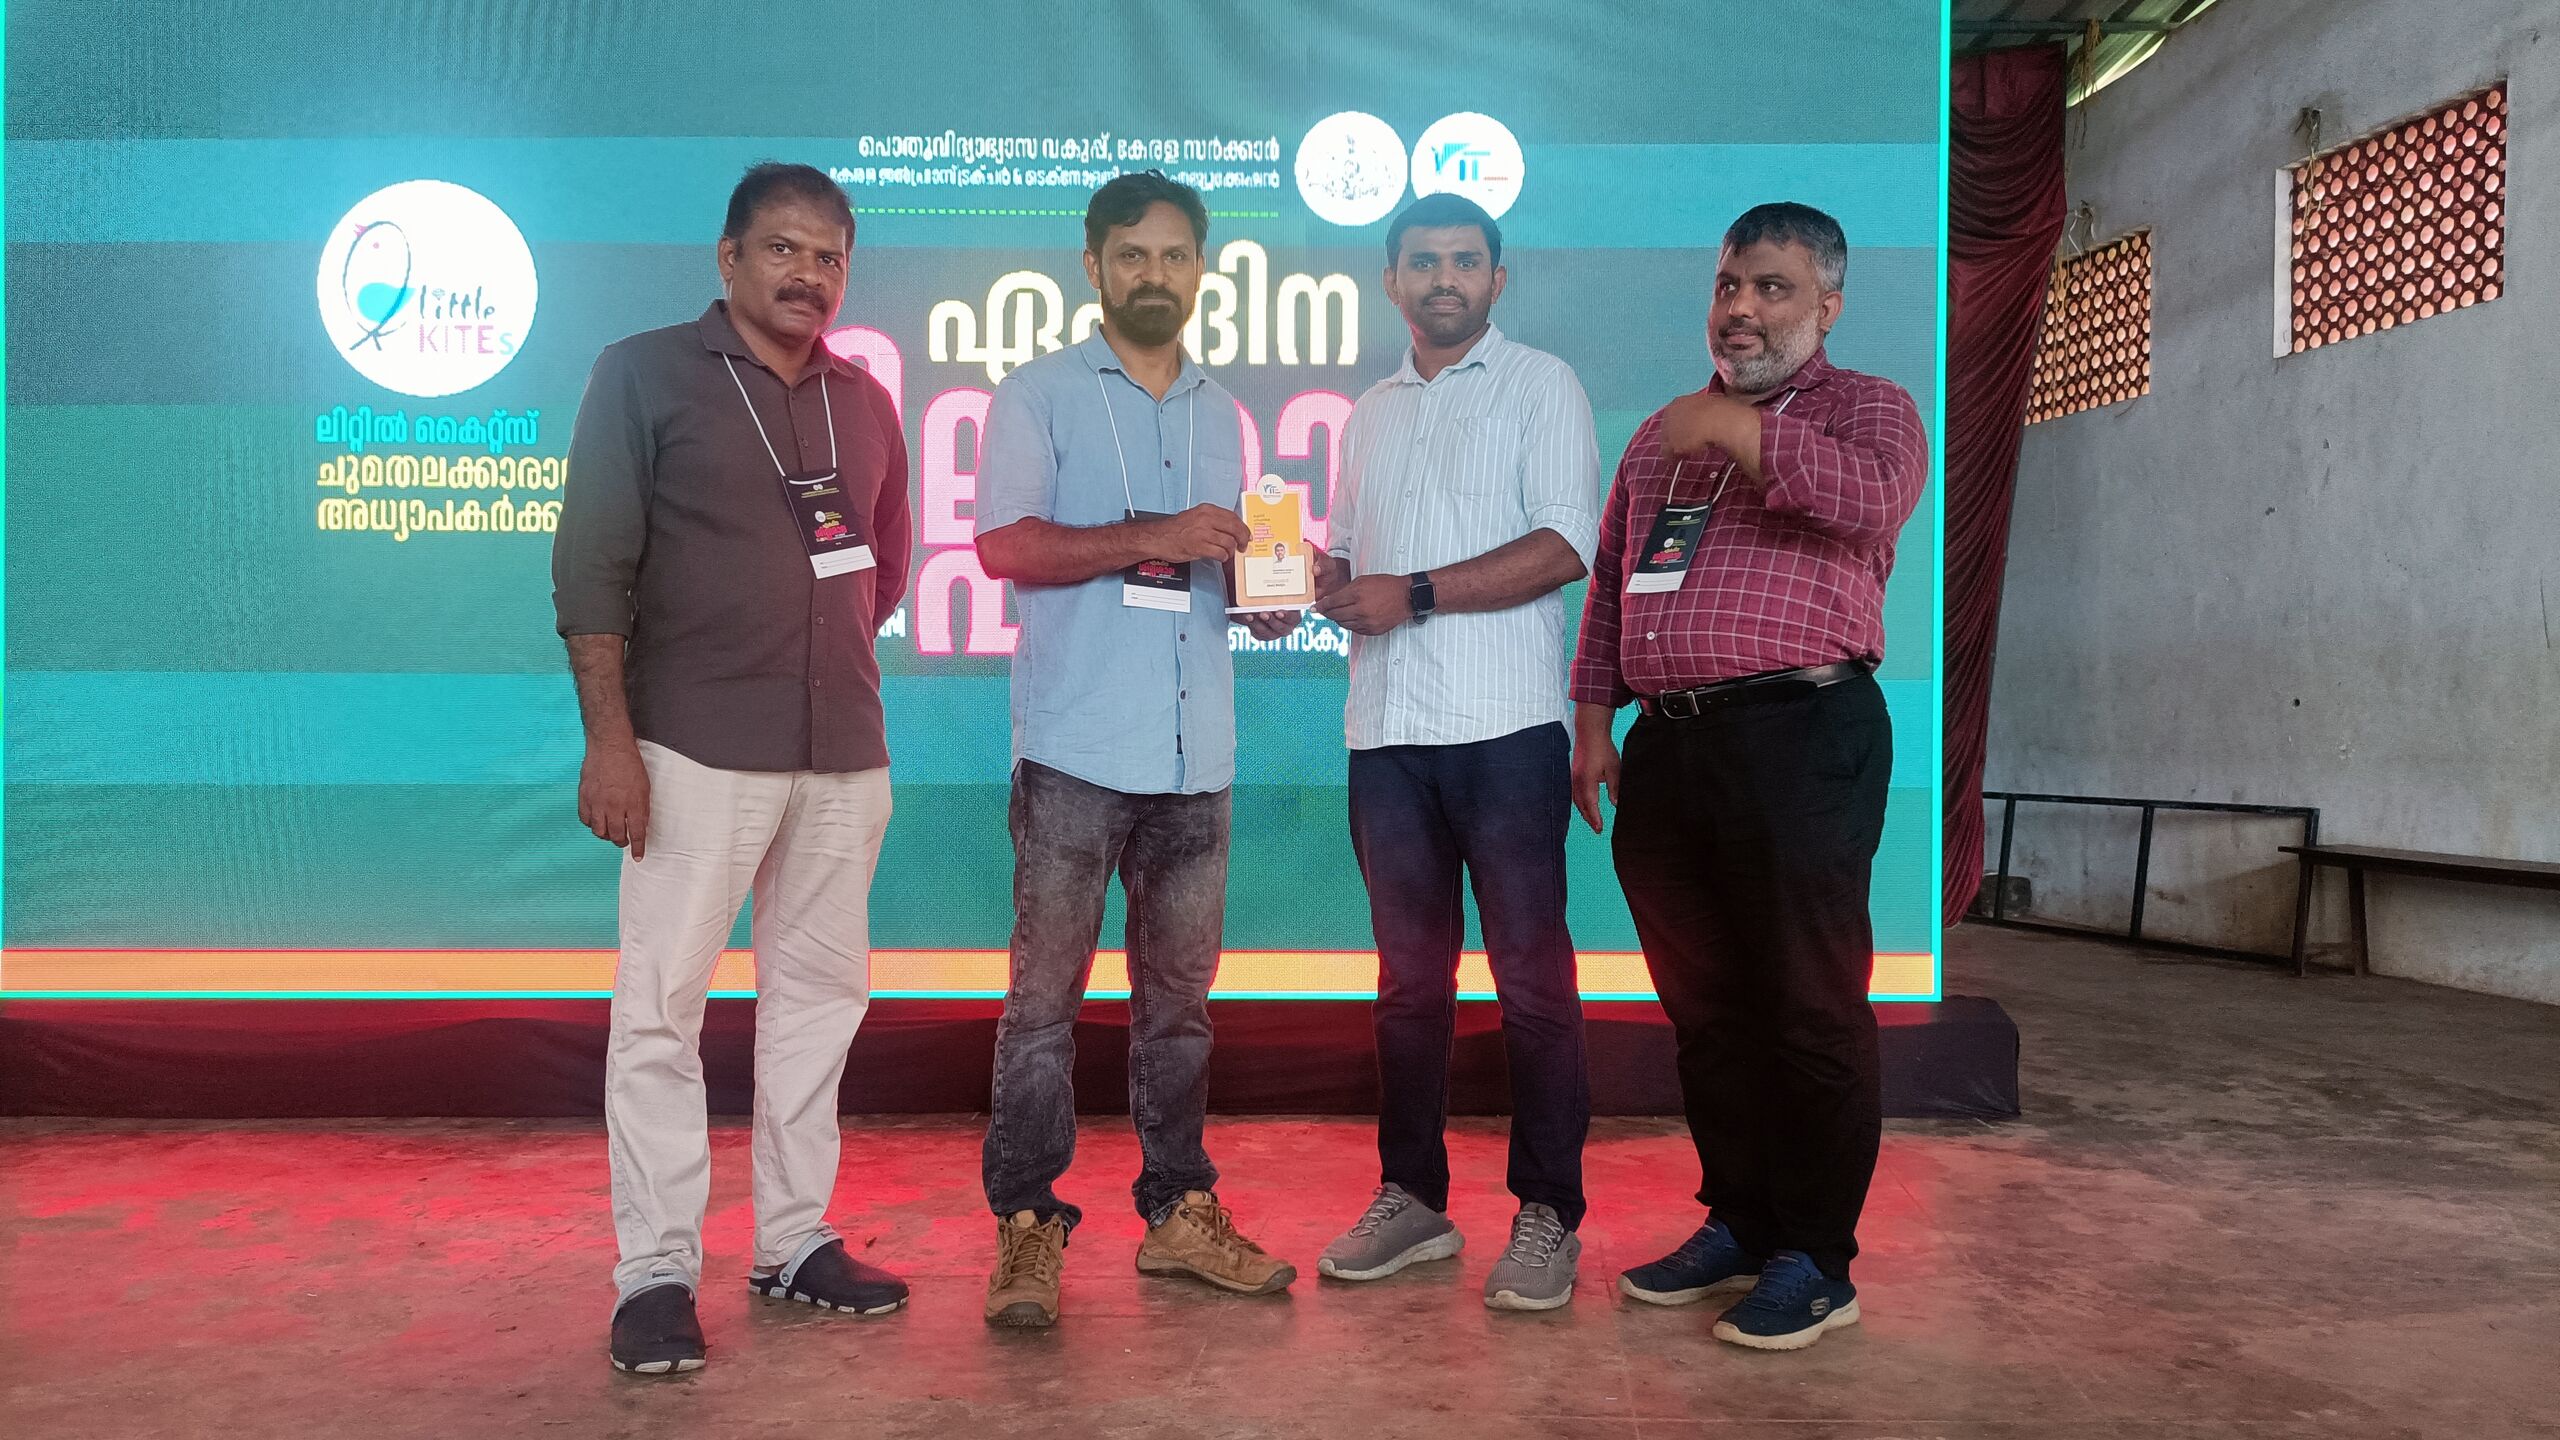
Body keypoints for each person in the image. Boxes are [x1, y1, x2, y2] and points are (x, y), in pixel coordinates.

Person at [554, 162, 915, 1374]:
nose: (808, 275)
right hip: (691, 749)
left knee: (818, 1005)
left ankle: (793, 1241)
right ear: (728, 257)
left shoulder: (866, 401)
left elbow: (885, 568)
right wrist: (612, 741)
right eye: (782, 250)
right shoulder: (643, 372)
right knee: (661, 1011)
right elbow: (590, 570)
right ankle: (656, 1271)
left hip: (843, 751)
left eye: (829, 257)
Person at [1569, 202, 1926, 1351]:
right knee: (1709, 1012)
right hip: (1670, 750)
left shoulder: (1867, 408)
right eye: (1729, 285)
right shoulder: (1657, 437)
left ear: (1827, 305)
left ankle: (1816, 1257)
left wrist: (1738, 430)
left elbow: (1872, 503)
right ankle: (1740, 1221)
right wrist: (1592, 724)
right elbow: (1613, 585)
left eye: (1772, 288)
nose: (1741, 308)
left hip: (1801, 734)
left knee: (1807, 1006)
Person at [971, 170, 1303, 1328]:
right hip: (1076, 749)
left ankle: (1178, 1214)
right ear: (1093, 266)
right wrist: (1153, 533)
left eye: (1173, 255)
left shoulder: (1221, 412)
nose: (1152, 274)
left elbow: (1210, 575)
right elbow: (1005, 546)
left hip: (1195, 757)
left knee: (1179, 1011)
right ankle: (1027, 1224)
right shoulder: (1038, 395)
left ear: (1201, 269)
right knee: (1041, 1009)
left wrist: (1261, 601)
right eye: (1131, 255)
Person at [1309, 193, 1601, 1310]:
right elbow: (1349, 557)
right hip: (1385, 737)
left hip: (1504, 733)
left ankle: (1548, 1210)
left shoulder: (1540, 385)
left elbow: (1565, 544)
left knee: (1533, 982)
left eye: (1465, 261)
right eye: (1423, 261)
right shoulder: (1368, 413)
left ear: (1496, 279)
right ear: (1391, 282)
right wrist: (1304, 586)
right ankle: (1412, 1198)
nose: (1444, 278)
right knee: (1406, 987)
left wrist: (1417, 593)